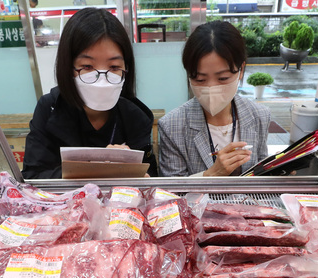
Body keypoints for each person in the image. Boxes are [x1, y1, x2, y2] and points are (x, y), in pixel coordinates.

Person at [22, 8, 156, 179]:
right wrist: (96, 170)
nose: (102, 78)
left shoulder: (135, 117)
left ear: (126, 68)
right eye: (87, 67)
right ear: (68, 67)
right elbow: (33, 176)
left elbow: (151, 174)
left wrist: (140, 175)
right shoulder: (50, 109)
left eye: (114, 67)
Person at [158, 21, 270, 177]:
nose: (211, 88)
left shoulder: (259, 116)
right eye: (200, 80)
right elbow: (170, 192)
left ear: (241, 70)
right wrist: (211, 175)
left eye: (223, 78)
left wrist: (278, 168)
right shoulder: (172, 126)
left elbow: (261, 173)